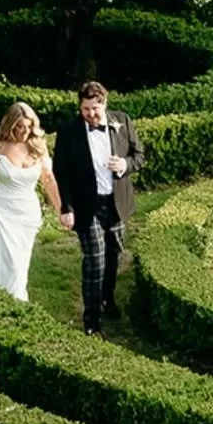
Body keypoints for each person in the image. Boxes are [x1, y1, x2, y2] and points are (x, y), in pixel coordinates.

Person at [54, 80, 145, 335]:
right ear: (80, 108)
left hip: (116, 202)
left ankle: (108, 300)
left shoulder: (122, 121)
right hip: (87, 206)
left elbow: (140, 156)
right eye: (85, 110)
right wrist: (66, 207)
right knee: (94, 260)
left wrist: (125, 164)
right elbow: (61, 171)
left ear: (104, 103)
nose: (91, 115)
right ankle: (91, 320)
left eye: (95, 109)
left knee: (113, 255)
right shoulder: (69, 131)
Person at [0, 101, 64, 302]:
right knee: (7, 264)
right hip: (3, 211)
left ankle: (17, 303)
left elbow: (48, 179)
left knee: (20, 264)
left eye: (29, 126)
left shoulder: (38, 146)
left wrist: (60, 209)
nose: (24, 131)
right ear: (10, 125)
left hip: (27, 214)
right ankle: (2, 300)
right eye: (20, 127)